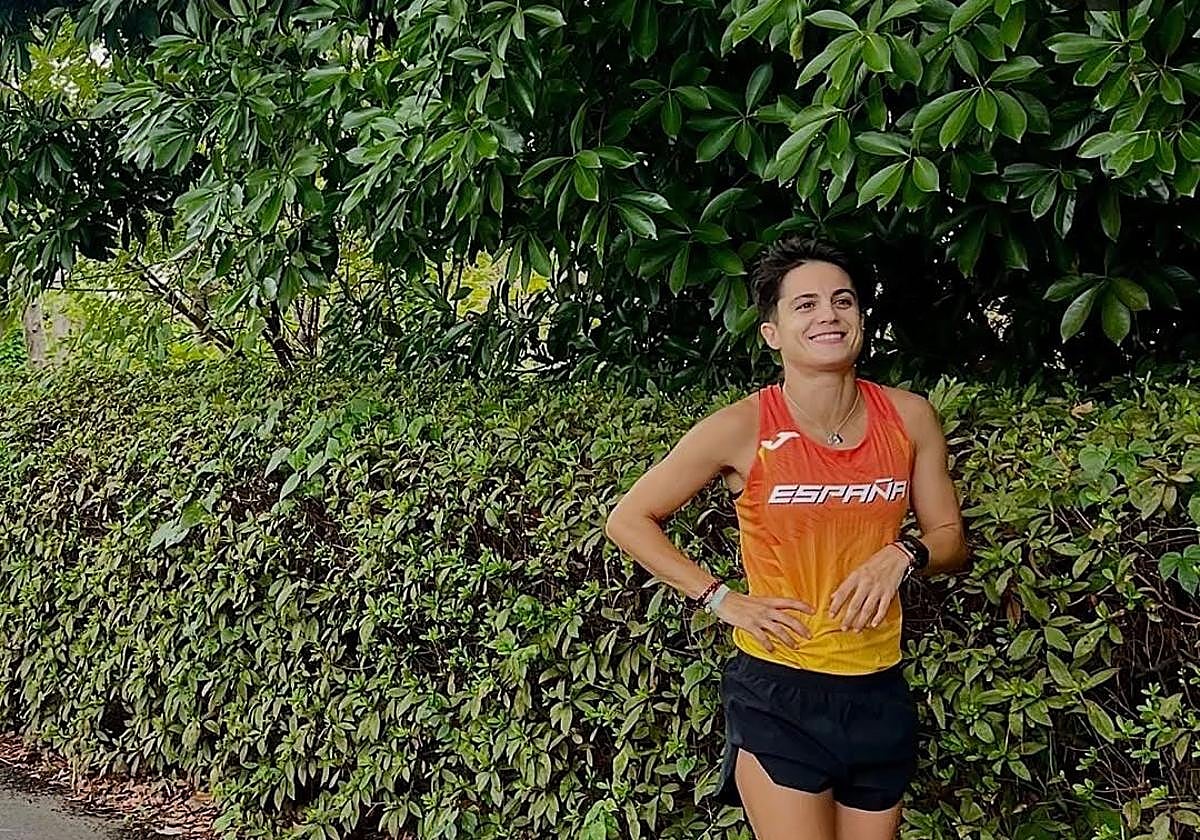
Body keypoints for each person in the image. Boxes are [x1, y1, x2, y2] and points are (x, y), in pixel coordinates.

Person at [604, 236, 968, 840]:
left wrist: (903, 553)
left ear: (860, 318)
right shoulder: (742, 426)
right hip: (781, 691)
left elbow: (950, 539)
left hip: (878, 686)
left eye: (842, 301)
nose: (829, 315)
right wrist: (721, 599)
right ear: (772, 333)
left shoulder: (909, 417)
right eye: (805, 304)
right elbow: (629, 519)